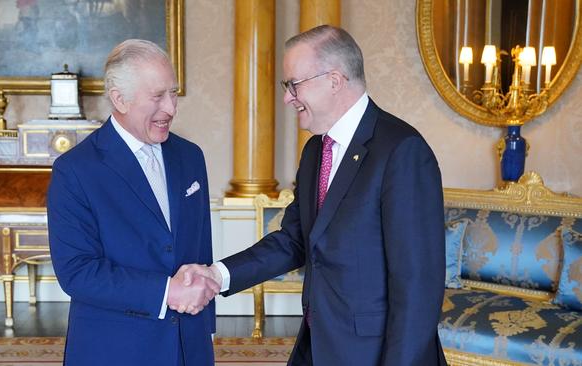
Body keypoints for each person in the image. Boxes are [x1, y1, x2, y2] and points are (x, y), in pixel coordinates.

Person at [178, 25, 447, 365]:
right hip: (319, 344)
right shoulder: (316, 151)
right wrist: (218, 275)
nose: (287, 98)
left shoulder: (401, 150)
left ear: (334, 80)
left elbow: (418, 285)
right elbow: (294, 241)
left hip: (376, 353)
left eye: (293, 84)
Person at [47, 39, 219, 366]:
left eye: (173, 93)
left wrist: (204, 329)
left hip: (189, 345)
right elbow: (78, 272)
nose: (171, 108)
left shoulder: (190, 156)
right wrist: (166, 292)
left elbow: (201, 248)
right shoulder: (75, 170)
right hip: (115, 349)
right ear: (119, 99)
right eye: (157, 96)